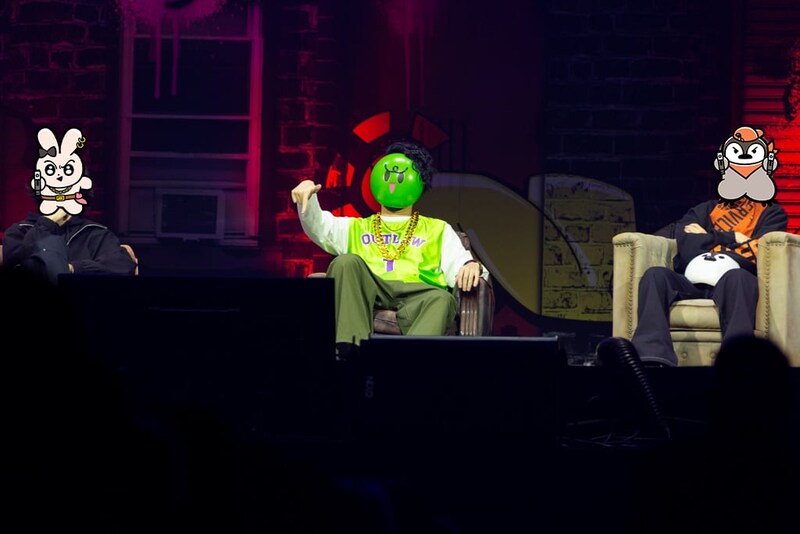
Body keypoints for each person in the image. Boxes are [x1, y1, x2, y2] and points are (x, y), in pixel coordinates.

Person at [291, 140, 488, 356]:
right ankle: (350, 354)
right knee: (345, 262)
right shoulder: (356, 226)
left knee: (442, 299)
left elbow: (461, 263)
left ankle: (406, 366)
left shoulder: (438, 229)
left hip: (417, 294)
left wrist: (472, 265)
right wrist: (307, 197)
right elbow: (320, 226)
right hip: (370, 289)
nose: (394, 179)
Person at [631, 197, 787, 367]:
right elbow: (688, 247)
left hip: (732, 281)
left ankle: (737, 361)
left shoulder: (772, 213)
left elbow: (753, 255)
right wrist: (733, 237)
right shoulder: (704, 210)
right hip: (691, 279)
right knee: (655, 275)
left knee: (739, 277)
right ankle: (652, 357)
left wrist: (705, 238)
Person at [2, 208, 137, 283]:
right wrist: (47, 223)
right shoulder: (20, 230)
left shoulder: (96, 232)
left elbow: (122, 266)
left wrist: (72, 269)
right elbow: (15, 266)